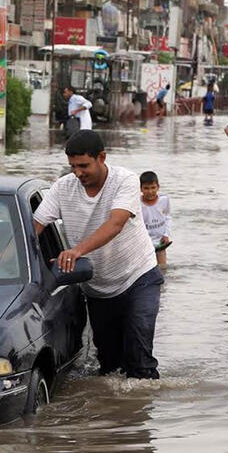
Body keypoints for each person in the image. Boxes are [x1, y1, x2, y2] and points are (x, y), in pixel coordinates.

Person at [33, 130, 162, 379]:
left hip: (138, 278)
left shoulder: (125, 181)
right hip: (97, 289)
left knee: (139, 357)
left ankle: (142, 412)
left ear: (102, 157)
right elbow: (33, 227)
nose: (78, 173)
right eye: (72, 167)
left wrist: (76, 251)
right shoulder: (63, 188)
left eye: (83, 166)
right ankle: (110, 416)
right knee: (109, 367)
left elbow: (115, 224)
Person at [139, 171, 172, 270]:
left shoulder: (164, 200)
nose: (150, 191)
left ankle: (163, 285)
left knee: (162, 268)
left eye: (153, 188)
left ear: (158, 187)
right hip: (144, 242)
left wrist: (166, 234)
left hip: (160, 241)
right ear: (140, 188)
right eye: (146, 188)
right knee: (146, 269)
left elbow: (168, 217)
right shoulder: (138, 203)